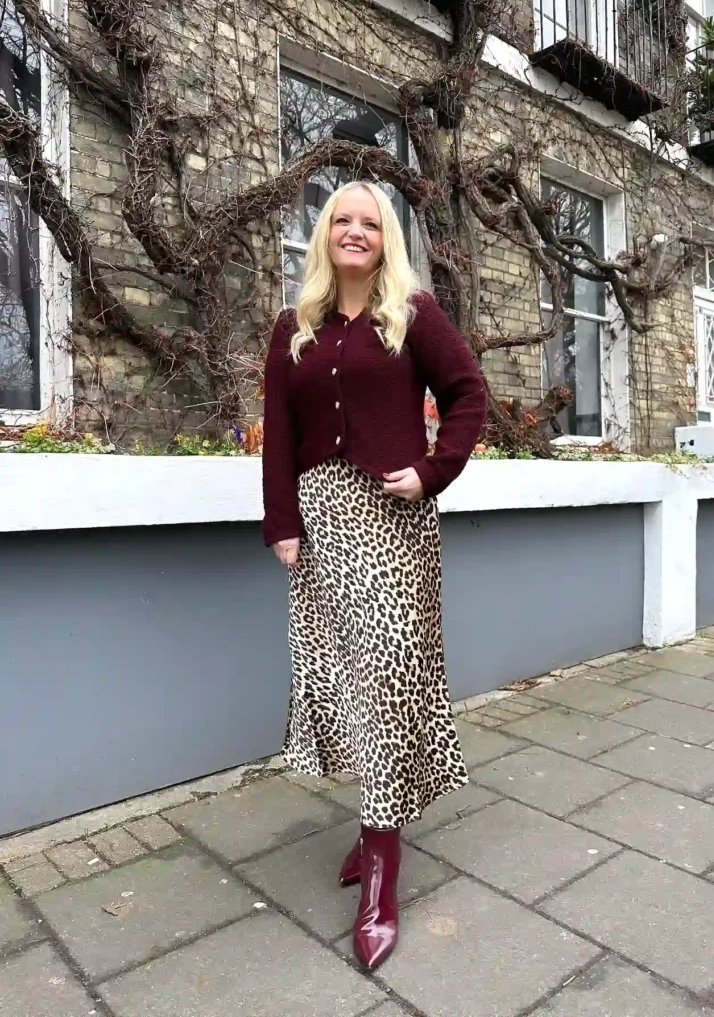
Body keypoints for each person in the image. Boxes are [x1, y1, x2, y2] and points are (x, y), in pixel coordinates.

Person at [262, 180, 486, 969]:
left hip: (393, 520)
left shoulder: (414, 315)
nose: (354, 232)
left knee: (391, 676)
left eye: (369, 223)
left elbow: (468, 396)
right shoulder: (294, 327)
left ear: (386, 238)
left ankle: (382, 867)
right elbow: (280, 434)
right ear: (324, 235)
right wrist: (281, 524)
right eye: (341, 221)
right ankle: (373, 826)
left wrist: (433, 472)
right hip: (321, 520)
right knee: (343, 679)